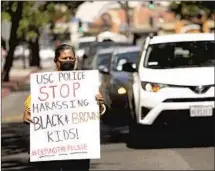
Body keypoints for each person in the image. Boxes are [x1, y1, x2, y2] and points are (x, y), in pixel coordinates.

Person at [23, 44, 106, 171]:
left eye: (71, 58)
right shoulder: (44, 85)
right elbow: (30, 108)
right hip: (50, 150)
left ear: (75, 60)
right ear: (56, 61)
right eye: (64, 58)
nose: (68, 61)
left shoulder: (86, 83)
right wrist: (27, 114)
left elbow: (96, 113)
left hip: (78, 148)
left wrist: (99, 103)